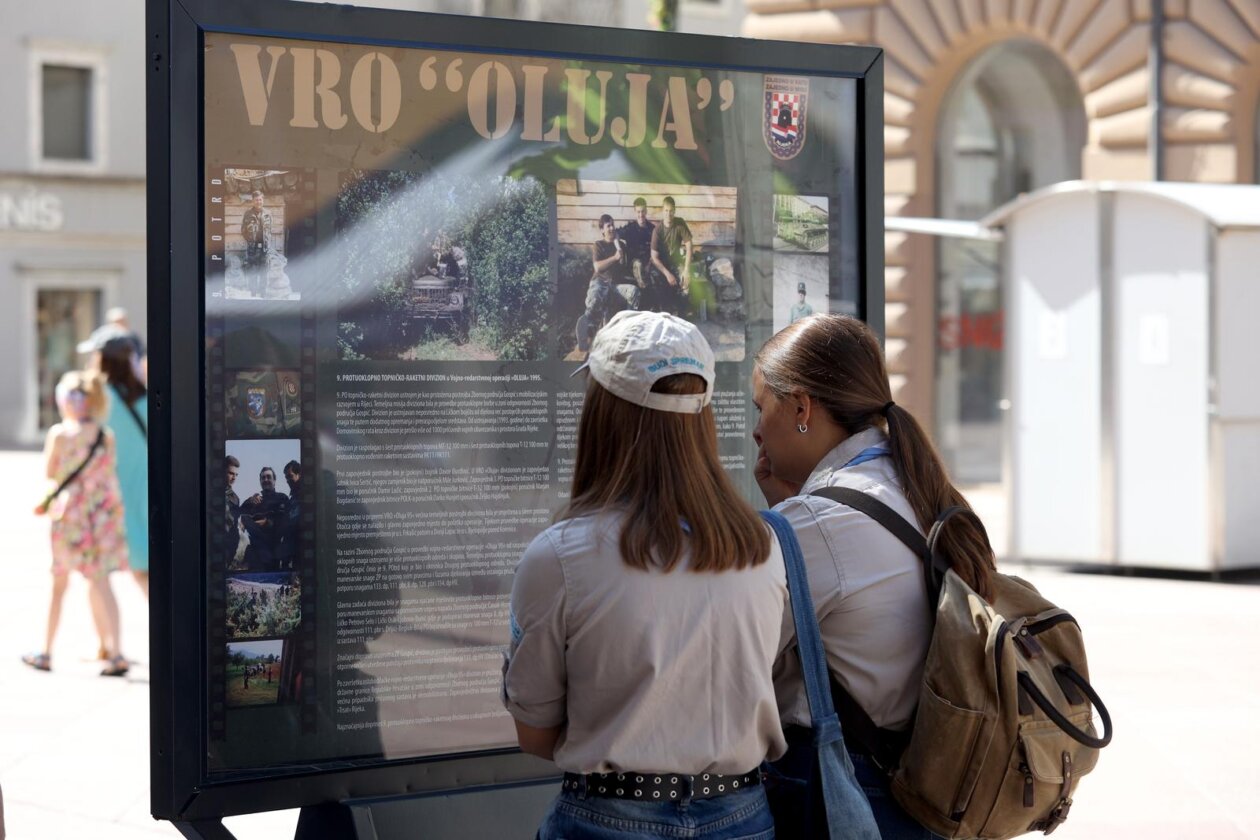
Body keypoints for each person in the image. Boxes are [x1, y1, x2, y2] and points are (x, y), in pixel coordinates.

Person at [504, 310, 788, 839]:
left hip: (608, 820)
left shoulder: (560, 558)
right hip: (744, 815)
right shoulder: (762, 546)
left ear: (602, 413)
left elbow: (534, 734)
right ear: (704, 413)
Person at [751, 313, 995, 839]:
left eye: (760, 407)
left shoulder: (815, 522)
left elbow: (743, 661)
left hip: (840, 790)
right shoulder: (914, 483)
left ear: (801, 408)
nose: (755, 431)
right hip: (921, 786)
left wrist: (786, 523)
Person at [23, 370, 129, 678]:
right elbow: (109, 475)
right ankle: (115, 652)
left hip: (71, 517)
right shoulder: (105, 435)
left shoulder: (60, 434)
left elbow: (50, 474)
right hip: (101, 517)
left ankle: (46, 652)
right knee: (101, 582)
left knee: (59, 585)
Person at [84, 328, 149, 598]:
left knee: (97, 577)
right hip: (143, 492)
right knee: (144, 571)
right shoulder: (146, 397)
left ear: (103, 359)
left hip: (108, 495)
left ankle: (108, 629)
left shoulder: (98, 399)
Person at [576, 214, 641, 353]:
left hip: (615, 287)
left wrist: (619, 246)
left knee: (633, 292)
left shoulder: (620, 245)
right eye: (608, 226)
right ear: (602, 230)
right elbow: (598, 267)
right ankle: (585, 331)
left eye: (613, 225)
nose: (611, 228)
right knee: (595, 299)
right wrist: (614, 258)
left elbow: (626, 264)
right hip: (600, 282)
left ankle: (629, 328)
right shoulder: (598, 245)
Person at [239, 466, 289, 569]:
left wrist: (267, 522)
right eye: (263, 478)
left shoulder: (282, 497)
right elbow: (239, 512)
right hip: (256, 550)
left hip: (273, 547)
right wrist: (250, 501)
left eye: (268, 477)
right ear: (260, 481)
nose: (266, 480)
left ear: (274, 480)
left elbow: (284, 522)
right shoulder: (255, 500)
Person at [649, 195, 693, 314]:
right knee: (656, 281)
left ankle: (682, 315)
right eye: (666, 211)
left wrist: (686, 270)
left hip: (675, 262)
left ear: (675, 211)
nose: (669, 214)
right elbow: (654, 257)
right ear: (662, 211)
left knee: (685, 281)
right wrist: (667, 274)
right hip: (662, 265)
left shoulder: (680, 224)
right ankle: (663, 312)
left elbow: (689, 245)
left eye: (671, 211)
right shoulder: (657, 230)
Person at [617, 196, 655, 291]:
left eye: (643, 211)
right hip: (634, 263)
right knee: (638, 265)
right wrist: (619, 249)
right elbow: (615, 234)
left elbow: (657, 249)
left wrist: (650, 263)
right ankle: (646, 293)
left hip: (650, 262)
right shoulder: (630, 228)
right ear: (635, 212)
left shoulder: (652, 229)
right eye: (638, 212)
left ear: (646, 211)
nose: (641, 215)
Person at [241, 189, 272, 298]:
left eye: (260, 199)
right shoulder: (248, 214)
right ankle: (253, 293)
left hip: (264, 248)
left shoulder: (268, 213)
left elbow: (269, 230)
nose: (258, 202)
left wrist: (267, 242)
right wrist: (250, 241)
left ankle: (262, 293)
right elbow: (243, 231)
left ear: (263, 200)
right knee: (253, 271)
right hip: (252, 248)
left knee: (264, 271)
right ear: (253, 201)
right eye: (256, 200)